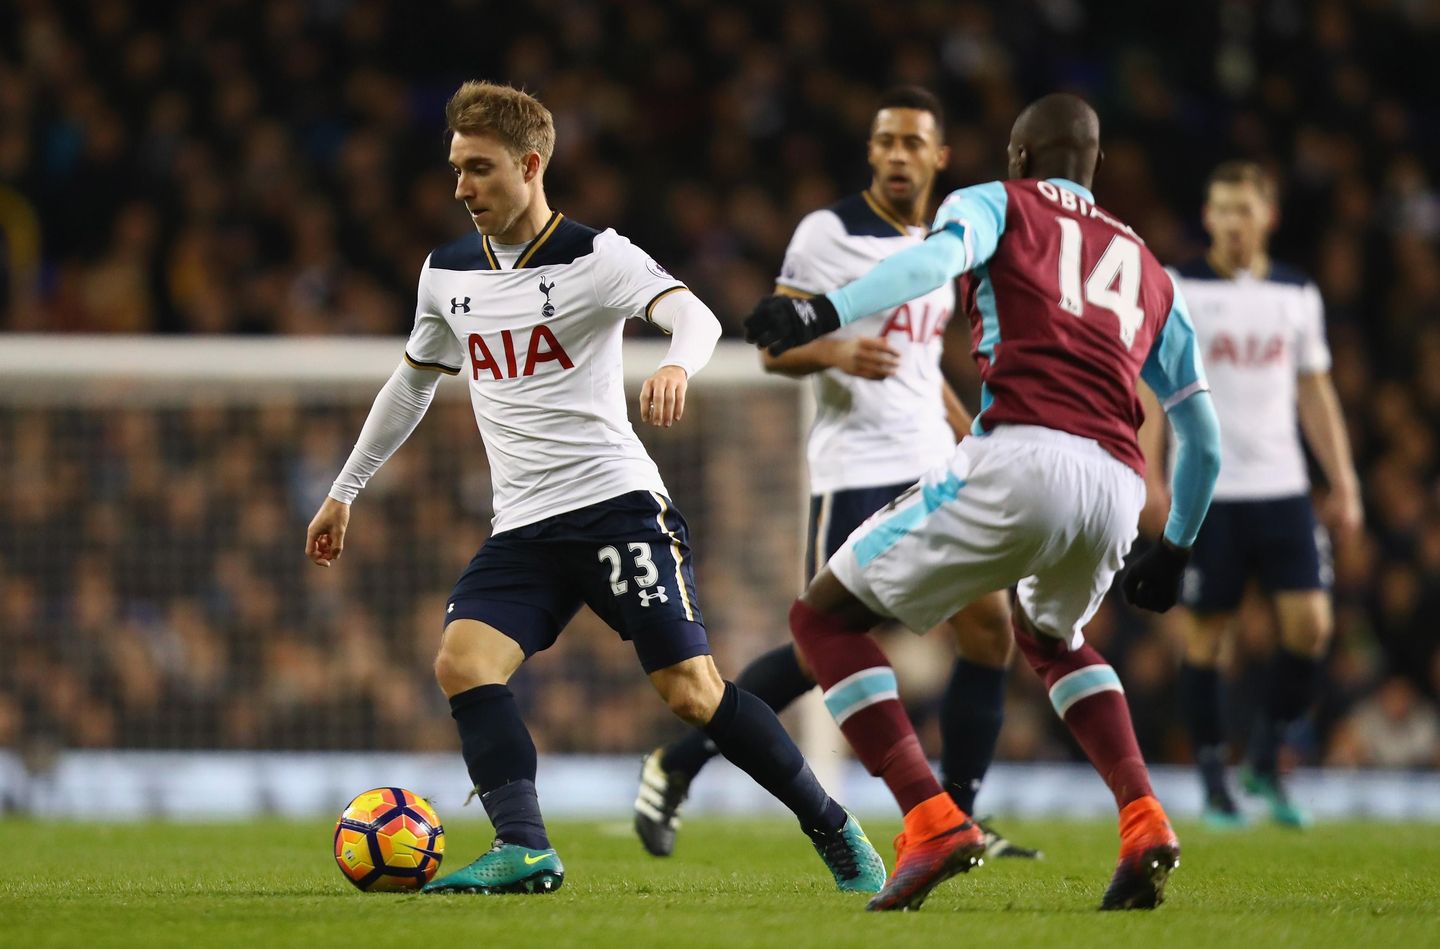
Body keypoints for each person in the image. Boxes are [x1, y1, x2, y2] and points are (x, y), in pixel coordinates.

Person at [305, 80, 884, 897]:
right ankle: (523, 846)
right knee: (464, 662)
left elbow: (696, 316)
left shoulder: (596, 256)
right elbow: (412, 383)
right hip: (523, 525)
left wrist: (677, 364)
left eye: (479, 168)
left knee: (691, 693)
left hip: (616, 507)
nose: (462, 187)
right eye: (456, 168)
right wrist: (345, 489)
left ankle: (832, 825)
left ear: (530, 165)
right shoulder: (446, 273)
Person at [744, 93, 1222, 912]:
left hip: (1020, 453)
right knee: (1052, 638)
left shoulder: (995, 201)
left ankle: (930, 817)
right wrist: (1175, 546)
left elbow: (929, 267)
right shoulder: (1149, 267)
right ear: (1095, 166)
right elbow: (1204, 437)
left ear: (1019, 158)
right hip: (1117, 481)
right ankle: (1144, 817)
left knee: (822, 620)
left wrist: (819, 311)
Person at [634, 86, 1037, 862]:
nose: (897, 155)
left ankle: (960, 811)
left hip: (932, 464)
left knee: (991, 628)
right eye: (886, 141)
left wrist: (973, 437)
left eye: (913, 142)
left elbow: (922, 366)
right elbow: (773, 346)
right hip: (856, 467)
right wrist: (838, 350)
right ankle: (677, 762)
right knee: (822, 649)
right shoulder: (829, 233)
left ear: (940, 157)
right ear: (871, 152)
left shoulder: (945, 242)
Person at [1142, 161, 1362, 828]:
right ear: (1207, 218)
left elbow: (1314, 390)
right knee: (1207, 637)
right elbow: (1151, 383)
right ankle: (1215, 781)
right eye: (1222, 209)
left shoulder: (1296, 292)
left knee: (1312, 626)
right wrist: (1150, 472)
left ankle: (1264, 760)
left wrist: (1343, 478)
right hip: (1207, 489)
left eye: (1245, 209)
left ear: (1268, 216)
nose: (1233, 222)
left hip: (1283, 485)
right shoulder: (1178, 286)